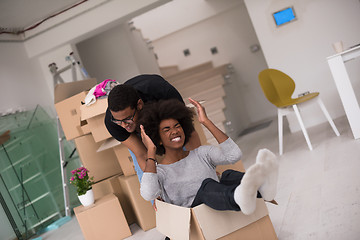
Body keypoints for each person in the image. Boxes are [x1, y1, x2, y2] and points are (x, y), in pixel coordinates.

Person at [138, 98, 279, 215]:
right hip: (194, 216)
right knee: (207, 186)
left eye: (177, 126)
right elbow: (148, 194)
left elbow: (234, 155)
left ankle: (263, 187)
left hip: (218, 205)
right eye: (166, 129)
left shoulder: (202, 153)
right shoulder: (160, 172)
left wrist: (206, 122)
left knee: (227, 175)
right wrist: (151, 150)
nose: (175, 131)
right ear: (158, 138)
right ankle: (239, 197)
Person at [105, 74, 201, 182]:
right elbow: (141, 154)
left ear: (139, 105)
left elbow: (189, 133)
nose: (123, 125)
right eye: (119, 121)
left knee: (179, 140)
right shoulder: (112, 122)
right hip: (139, 127)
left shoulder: (162, 91)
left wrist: (202, 169)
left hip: (162, 108)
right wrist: (156, 189)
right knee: (148, 181)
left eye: (127, 119)